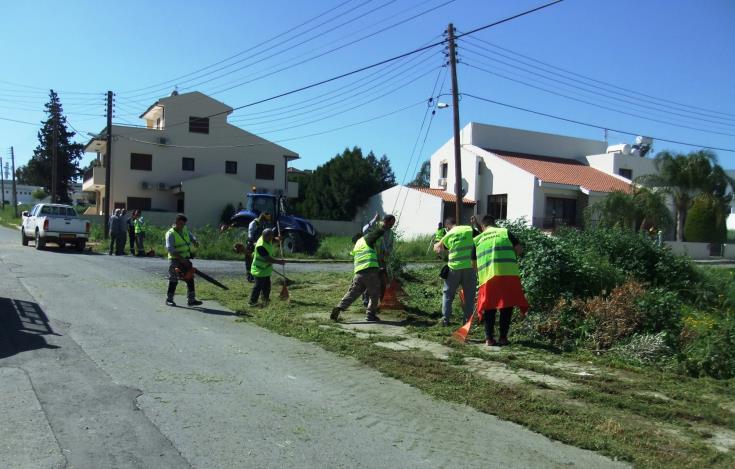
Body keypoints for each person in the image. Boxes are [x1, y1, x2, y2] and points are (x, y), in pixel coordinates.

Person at [474, 215, 528, 346]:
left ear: (482, 226)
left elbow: (473, 264)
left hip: (487, 278)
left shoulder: (478, 239)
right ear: (494, 224)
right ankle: (503, 338)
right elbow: (519, 250)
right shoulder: (504, 232)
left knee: (489, 307)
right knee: (506, 306)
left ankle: (489, 339)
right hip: (507, 275)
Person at [330, 216, 395, 322]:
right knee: (374, 294)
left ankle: (339, 307)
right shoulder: (366, 240)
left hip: (358, 273)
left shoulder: (357, 247)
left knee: (352, 293)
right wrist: (384, 226)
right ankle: (370, 315)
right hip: (370, 272)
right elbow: (376, 234)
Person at [434, 217, 477, 326]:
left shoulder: (448, 234)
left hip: (454, 269)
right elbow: (479, 237)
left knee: (448, 294)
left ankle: (445, 320)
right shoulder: (469, 229)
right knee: (469, 296)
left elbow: (438, 249)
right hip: (470, 268)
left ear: (447, 226)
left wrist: (439, 236)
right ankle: (467, 322)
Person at [165, 213, 203, 307]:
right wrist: (181, 259)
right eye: (181, 224)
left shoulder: (184, 229)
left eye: (184, 224)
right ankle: (169, 299)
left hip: (185, 258)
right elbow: (170, 249)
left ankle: (191, 300)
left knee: (190, 278)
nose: (182, 226)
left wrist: (194, 241)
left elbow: (190, 236)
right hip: (175, 259)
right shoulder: (170, 234)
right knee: (173, 279)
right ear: (176, 222)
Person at [361, 213, 395, 306]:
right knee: (371, 280)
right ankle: (366, 299)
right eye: (390, 224)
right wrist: (374, 220)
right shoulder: (376, 227)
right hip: (372, 258)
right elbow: (364, 230)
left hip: (383, 260)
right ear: (385, 221)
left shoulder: (391, 233)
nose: (391, 226)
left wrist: (388, 252)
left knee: (382, 281)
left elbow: (391, 245)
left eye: (393, 224)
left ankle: (380, 301)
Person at [249, 228, 285, 306]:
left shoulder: (267, 239)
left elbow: (273, 240)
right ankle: (252, 302)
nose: (271, 239)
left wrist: (278, 239)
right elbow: (268, 259)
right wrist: (279, 262)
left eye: (271, 237)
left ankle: (265, 299)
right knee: (258, 286)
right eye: (269, 238)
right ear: (264, 236)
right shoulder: (260, 246)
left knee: (267, 286)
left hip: (265, 269)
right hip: (258, 269)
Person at [245, 211, 271, 283]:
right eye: (265, 221)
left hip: (258, 245)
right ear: (261, 219)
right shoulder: (253, 224)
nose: (265, 222)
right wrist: (254, 243)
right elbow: (250, 236)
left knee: (256, 261)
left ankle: (256, 276)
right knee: (249, 261)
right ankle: (249, 277)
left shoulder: (262, 225)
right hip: (251, 245)